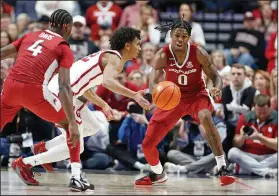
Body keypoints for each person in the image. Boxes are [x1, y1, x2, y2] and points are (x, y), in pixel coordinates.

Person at [24, 27, 150, 191]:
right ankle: (26, 163)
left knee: (93, 127)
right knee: (78, 145)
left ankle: (44, 148)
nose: (139, 48)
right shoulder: (115, 59)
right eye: (138, 44)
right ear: (127, 45)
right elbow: (108, 83)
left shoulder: (106, 56)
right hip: (59, 95)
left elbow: (84, 87)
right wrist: (134, 95)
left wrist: (104, 104)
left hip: (68, 93)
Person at [135, 19, 235, 186]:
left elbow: (216, 76)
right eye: (177, 36)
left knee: (205, 116)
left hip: (196, 96)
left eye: (184, 36)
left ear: (189, 37)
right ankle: (158, 173)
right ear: (171, 36)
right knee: (147, 144)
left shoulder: (198, 53)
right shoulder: (162, 54)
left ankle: (222, 166)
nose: (180, 39)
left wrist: (217, 88)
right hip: (172, 99)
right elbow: (153, 79)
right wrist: (155, 92)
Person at [0, 9, 86, 190]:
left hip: (10, 85)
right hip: (33, 90)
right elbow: (64, 87)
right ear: (66, 26)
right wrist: (71, 121)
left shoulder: (31, 35)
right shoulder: (63, 47)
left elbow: (2, 53)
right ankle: (76, 177)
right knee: (72, 126)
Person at [228, 94, 277, 177]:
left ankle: (242, 169)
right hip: (248, 155)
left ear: (270, 108)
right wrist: (242, 136)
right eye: (259, 112)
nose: (262, 115)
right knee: (232, 152)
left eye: (264, 112)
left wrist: (260, 137)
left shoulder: (277, 118)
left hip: (268, 156)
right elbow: (236, 144)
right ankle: (266, 171)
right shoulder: (245, 117)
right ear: (254, 108)